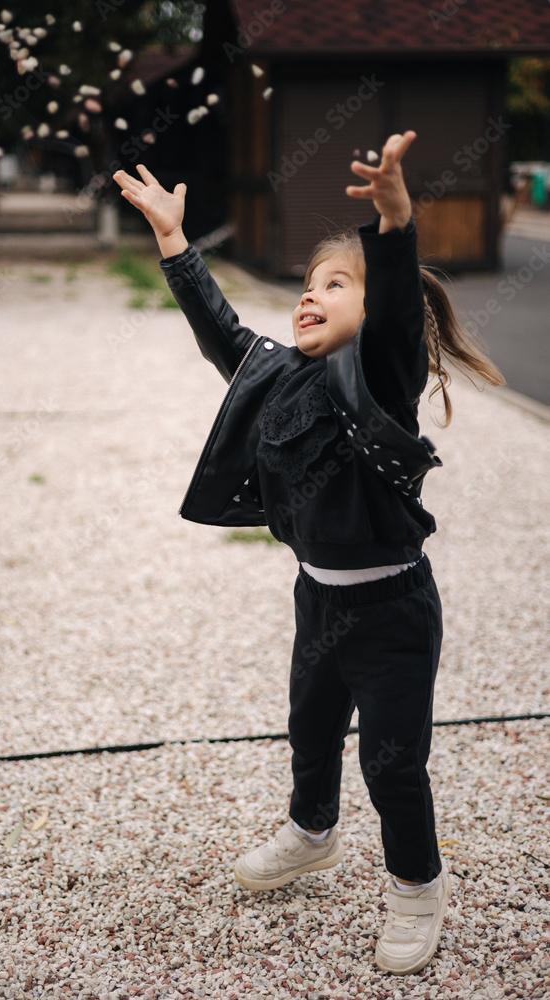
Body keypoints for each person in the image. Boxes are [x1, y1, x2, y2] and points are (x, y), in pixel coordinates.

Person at [113, 132, 505, 976]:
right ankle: (310, 832)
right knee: (310, 728)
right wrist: (174, 242)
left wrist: (394, 219)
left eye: (336, 284)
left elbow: (397, 304)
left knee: (391, 762)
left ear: (371, 312)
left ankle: (415, 886)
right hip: (318, 597)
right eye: (305, 285)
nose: (309, 295)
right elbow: (218, 328)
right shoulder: (275, 373)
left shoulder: (380, 375)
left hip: (392, 606)